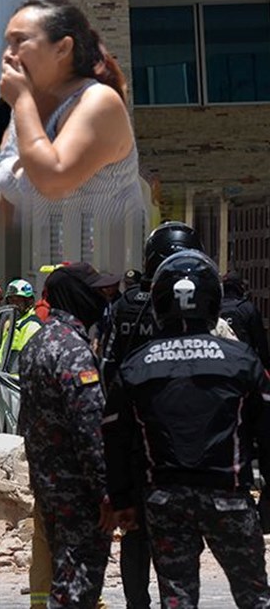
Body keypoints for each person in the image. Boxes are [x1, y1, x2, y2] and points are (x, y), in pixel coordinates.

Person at [104, 250, 270, 608]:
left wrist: (121, 499)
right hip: (229, 495)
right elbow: (267, 430)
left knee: (177, 598)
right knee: (254, 596)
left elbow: (115, 438)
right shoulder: (241, 360)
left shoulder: (136, 366)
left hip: (165, 499)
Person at [0, 0, 148, 281]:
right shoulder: (26, 111)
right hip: (43, 294)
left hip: (101, 294)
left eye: (20, 41)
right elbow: (10, 201)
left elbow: (53, 181)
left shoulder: (98, 101)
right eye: (8, 42)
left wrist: (22, 103)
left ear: (62, 48)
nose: (8, 54)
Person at [18, 263, 113, 608]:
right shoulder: (72, 350)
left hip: (49, 484)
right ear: (76, 295)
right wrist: (105, 490)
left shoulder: (37, 343)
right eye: (95, 290)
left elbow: (27, 420)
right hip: (78, 489)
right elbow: (89, 428)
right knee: (77, 585)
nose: (102, 298)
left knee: (63, 572)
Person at [221, 270, 270, 368]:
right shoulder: (248, 308)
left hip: (220, 364)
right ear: (239, 287)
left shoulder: (214, 308)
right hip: (244, 364)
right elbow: (260, 342)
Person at [0, 279, 42, 371]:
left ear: (29, 302)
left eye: (18, 301)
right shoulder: (12, 323)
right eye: (11, 300)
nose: (13, 305)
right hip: (4, 377)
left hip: (17, 382)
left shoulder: (32, 326)